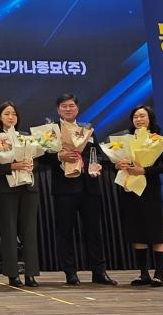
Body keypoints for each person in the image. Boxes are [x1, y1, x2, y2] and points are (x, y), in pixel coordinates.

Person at [40, 93, 117, 286]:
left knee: (94, 231)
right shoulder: (52, 131)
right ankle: (70, 273)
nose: (68, 109)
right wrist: (59, 156)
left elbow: (99, 154)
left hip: (90, 187)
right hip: (65, 188)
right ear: (58, 109)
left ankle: (99, 272)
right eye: (64, 106)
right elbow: (41, 158)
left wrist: (96, 163)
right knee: (65, 231)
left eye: (71, 106)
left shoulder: (87, 129)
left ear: (77, 108)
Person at [114, 105, 163, 287]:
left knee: (155, 230)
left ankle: (159, 274)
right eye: (135, 117)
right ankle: (143, 274)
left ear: (150, 118)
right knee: (136, 230)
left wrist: (144, 170)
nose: (138, 120)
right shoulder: (127, 140)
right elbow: (117, 162)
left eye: (142, 116)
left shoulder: (158, 140)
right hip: (130, 188)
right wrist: (118, 165)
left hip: (150, 189)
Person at [0, 101, 40, 287]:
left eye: (14, 114)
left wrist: (31, 164)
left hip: (28, 187)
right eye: (7, 113)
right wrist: (12, 166)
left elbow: (38, 160)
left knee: (29, 231)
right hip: (6, 188)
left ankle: (30, 273)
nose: (11, 117)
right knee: (9, 231)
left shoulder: (25, 136)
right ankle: (12, 274)